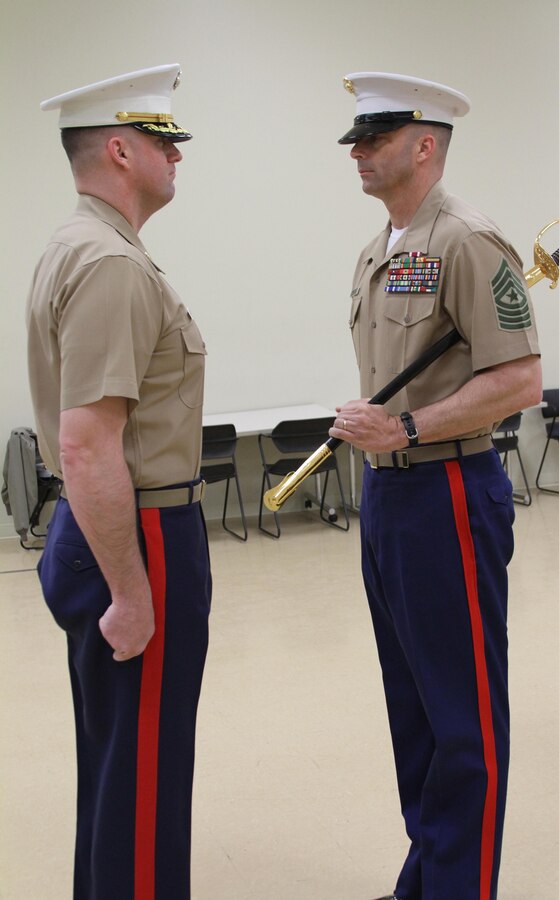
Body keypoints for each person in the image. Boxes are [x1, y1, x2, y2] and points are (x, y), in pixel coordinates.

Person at [329, 73, 542, 900]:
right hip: (390, 499)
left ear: (424, 144)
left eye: (374, 137)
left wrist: (408, 429)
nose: (357, 151)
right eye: (355, 139)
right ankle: (429, 874)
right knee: (413, 714)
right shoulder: (381, 249)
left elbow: (521, 379)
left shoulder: (466, 240)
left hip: (448, 489)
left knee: (463, 719)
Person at [26, 65, 211, 900]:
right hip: (138, 532)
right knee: (141, 775)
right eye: (164, 141)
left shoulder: (82, 245)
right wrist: (134, 593)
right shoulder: (109, 264)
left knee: (117, 766)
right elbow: (90, 445)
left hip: (110, 526)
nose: (178, 156)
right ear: (119, 149)